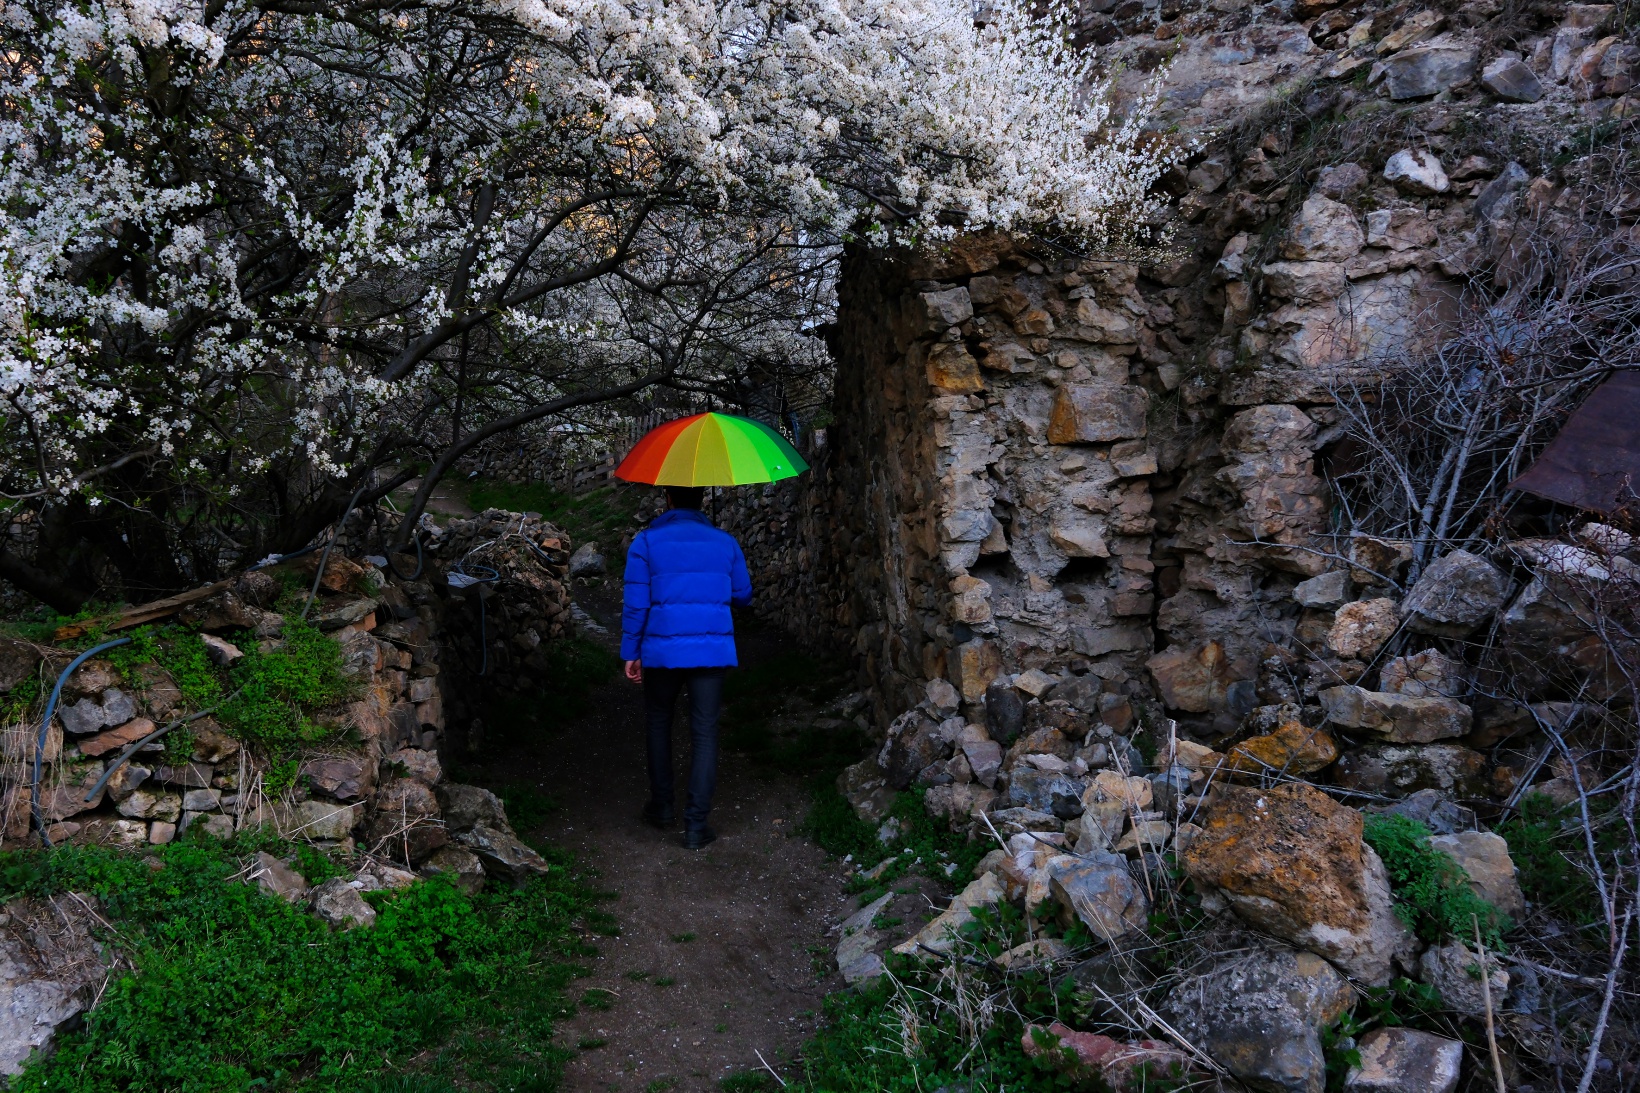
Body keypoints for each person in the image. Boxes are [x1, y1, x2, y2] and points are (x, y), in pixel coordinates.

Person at [620, 485, 753, 849]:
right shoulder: (725, 542)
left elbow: (636, 604)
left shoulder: (646, 543)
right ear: (702, 499)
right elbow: (743, 595)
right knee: (705, 732)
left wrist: (631, 652)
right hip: (711, 651)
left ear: (669, 499)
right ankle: (696, 825)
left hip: (662, 652)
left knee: (659, 722)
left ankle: (662, 807)